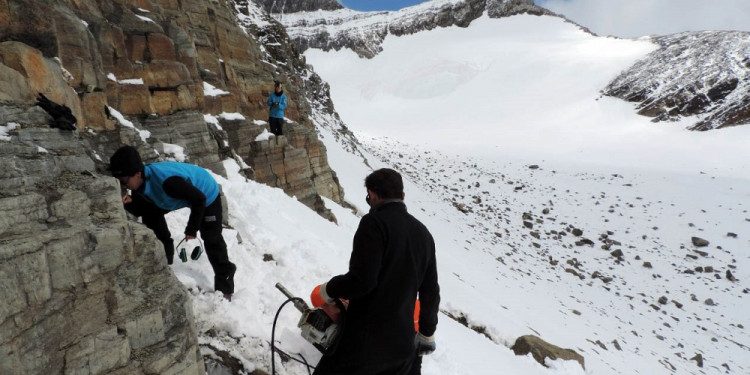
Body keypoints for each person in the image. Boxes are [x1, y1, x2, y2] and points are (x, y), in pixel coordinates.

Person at [312, 168, 440, 375]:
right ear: (403, 196)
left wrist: (330, 289)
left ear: (371, 194)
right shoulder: (423, 233)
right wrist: (426, 332)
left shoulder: (374, 223)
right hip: (403, 346)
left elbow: (362, 281)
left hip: (366, 341)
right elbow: (430, 291)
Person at [109, 145, 237, 300]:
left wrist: (191, 228)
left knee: (212, 238)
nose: (123, 186)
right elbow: (141, 211)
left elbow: (199, 199)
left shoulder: (168, 182)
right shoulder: (139, 183)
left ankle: (225, 286)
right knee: (150, 215)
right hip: (171, 197)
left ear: (137, 174)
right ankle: (166, 258)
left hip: (205, 193)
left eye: (124, 181)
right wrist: (128, 203)